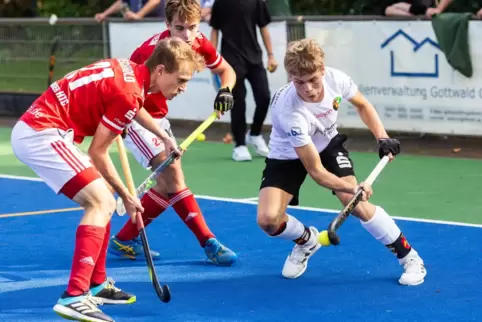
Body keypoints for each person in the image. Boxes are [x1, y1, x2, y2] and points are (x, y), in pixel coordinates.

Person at [10, 38, 205, 322]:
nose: (183, 87)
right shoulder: (129, 93)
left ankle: (97, 283)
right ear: (161, 70)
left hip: (43, 128)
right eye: (181, 79)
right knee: (101, 201)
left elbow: (135, 107)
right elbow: (98, 152)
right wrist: (128, 194)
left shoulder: (131, 71)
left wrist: (163, 136)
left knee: (105, 200)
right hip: (42, 133)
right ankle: (75, 295)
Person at [256, 38, 427, 285]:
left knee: (354, 203)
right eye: (299, 82)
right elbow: (315, 171)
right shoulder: (289, 112)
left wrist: (382, 138)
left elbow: (363, 105)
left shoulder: (336, 79)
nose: (309, 89)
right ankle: (307, 241)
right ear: (290, 78)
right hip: (287, 156)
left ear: (322, 71)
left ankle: (410, 258)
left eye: (313, 80)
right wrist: (353, 187)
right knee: (268, 221)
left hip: (327, 144)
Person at [108, 0, 238, 266]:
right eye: (179, 28)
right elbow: (126, 94)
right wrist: (119, 125)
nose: (187, 35)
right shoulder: (150, 52)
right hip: (136, 116)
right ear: (167, 25)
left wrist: (225, 89)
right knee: (175, 177)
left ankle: (124, 239)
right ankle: (209, 243)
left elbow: (226, 70)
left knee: (168, 187)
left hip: (158, 117)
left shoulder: (199, 41)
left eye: (192, 27)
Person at [210, 0, 277, 161]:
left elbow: (263, 28)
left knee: (264, 97)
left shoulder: (256, 1)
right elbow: (215, 30)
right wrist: (212, 60)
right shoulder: (220, 3)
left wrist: (271, 55)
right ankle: (239, 145)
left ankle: (254, 134)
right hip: (231, 59)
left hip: (254, 57)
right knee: (238, 101)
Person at [95, 0, 164, 22]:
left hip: (156, 24)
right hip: (140, 26)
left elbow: (155, 1)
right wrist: (104, 14)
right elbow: (121, 2)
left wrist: (138, 15)